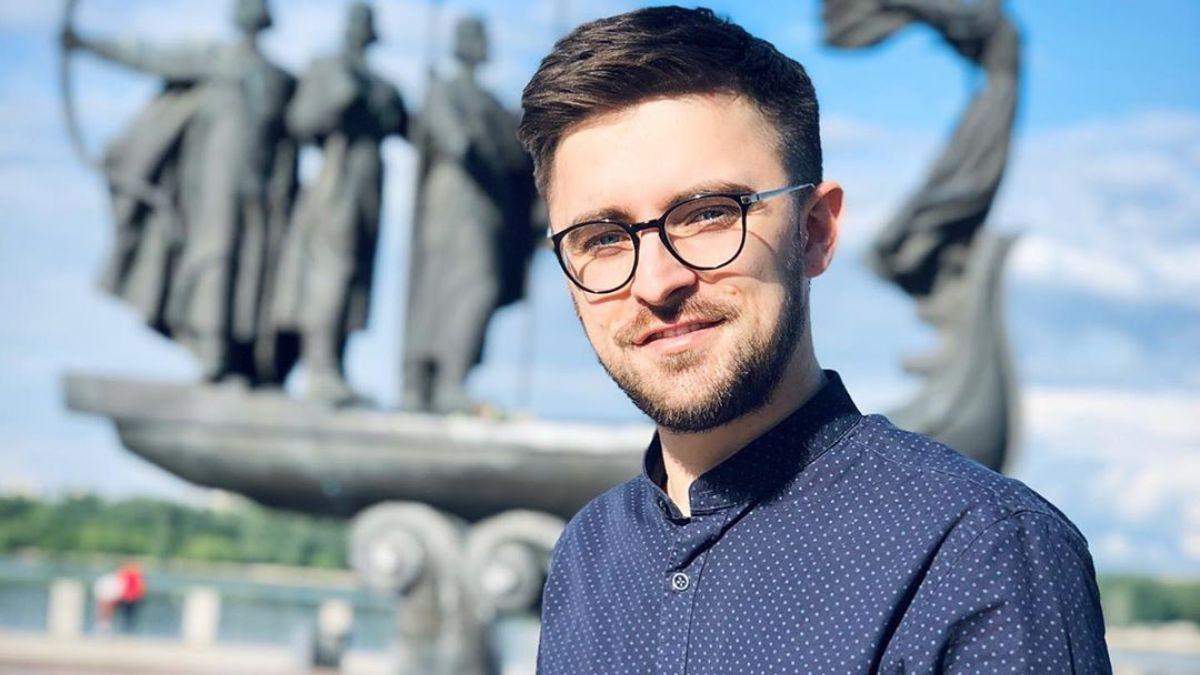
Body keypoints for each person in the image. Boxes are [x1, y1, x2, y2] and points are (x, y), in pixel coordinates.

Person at [518, 7, 1111, 673]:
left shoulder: (981, 551)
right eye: (601, 238)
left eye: (709, 215)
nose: (656, 282)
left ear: (817, 232)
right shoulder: (585, 558)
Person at [62, 0, 299, 386]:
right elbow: (147, 56)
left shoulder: (279, 79)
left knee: (257, 262)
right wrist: (87, 45)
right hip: (215, 182)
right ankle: (213, 349)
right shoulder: (216, 59)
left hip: (265, 187)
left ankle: (244, 355)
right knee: (216, 255)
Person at [272, 2, 408, 404]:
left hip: (370, 184)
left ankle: (336, 366)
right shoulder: (327, 68)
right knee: (331, 271)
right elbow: (301, 122)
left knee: (356, 277)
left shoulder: (383, 85)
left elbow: (410, 126)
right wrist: (337, 101)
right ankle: (320, 369)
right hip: (336, 177)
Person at [402, 17, 538, 414]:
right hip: (455, 200)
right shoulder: (443, 90)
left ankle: (449, 381)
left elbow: (520, 156)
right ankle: (441, 382)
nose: (483, 45)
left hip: (488, 206)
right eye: (475, 38)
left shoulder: (493, 104)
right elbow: (458, 142)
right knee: (464, 287)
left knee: (475, 287)